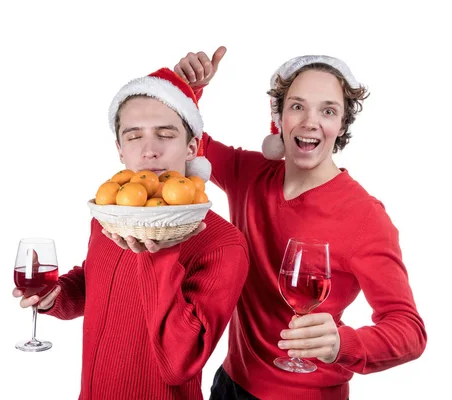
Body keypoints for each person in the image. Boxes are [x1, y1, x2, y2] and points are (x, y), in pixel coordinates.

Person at [172, 47, 427, 399]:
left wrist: (343, 343)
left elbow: (409, 330)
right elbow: (188, 145)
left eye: (328, 110)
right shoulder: (248, 173)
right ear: (279, 118)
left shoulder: (365, 216)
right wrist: (187, 89)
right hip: (229, 383)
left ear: (341, 125)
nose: (310, 121)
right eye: (297, 106)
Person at [13, 67, 249, 399]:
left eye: (165, 134)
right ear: (120, 149)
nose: (149, 150)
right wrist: (56, 296)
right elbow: (94, 282)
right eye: (134, 135)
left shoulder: (224, 243)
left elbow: (179, 365)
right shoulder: (108, 215)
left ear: (193, 147)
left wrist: (161, 253)